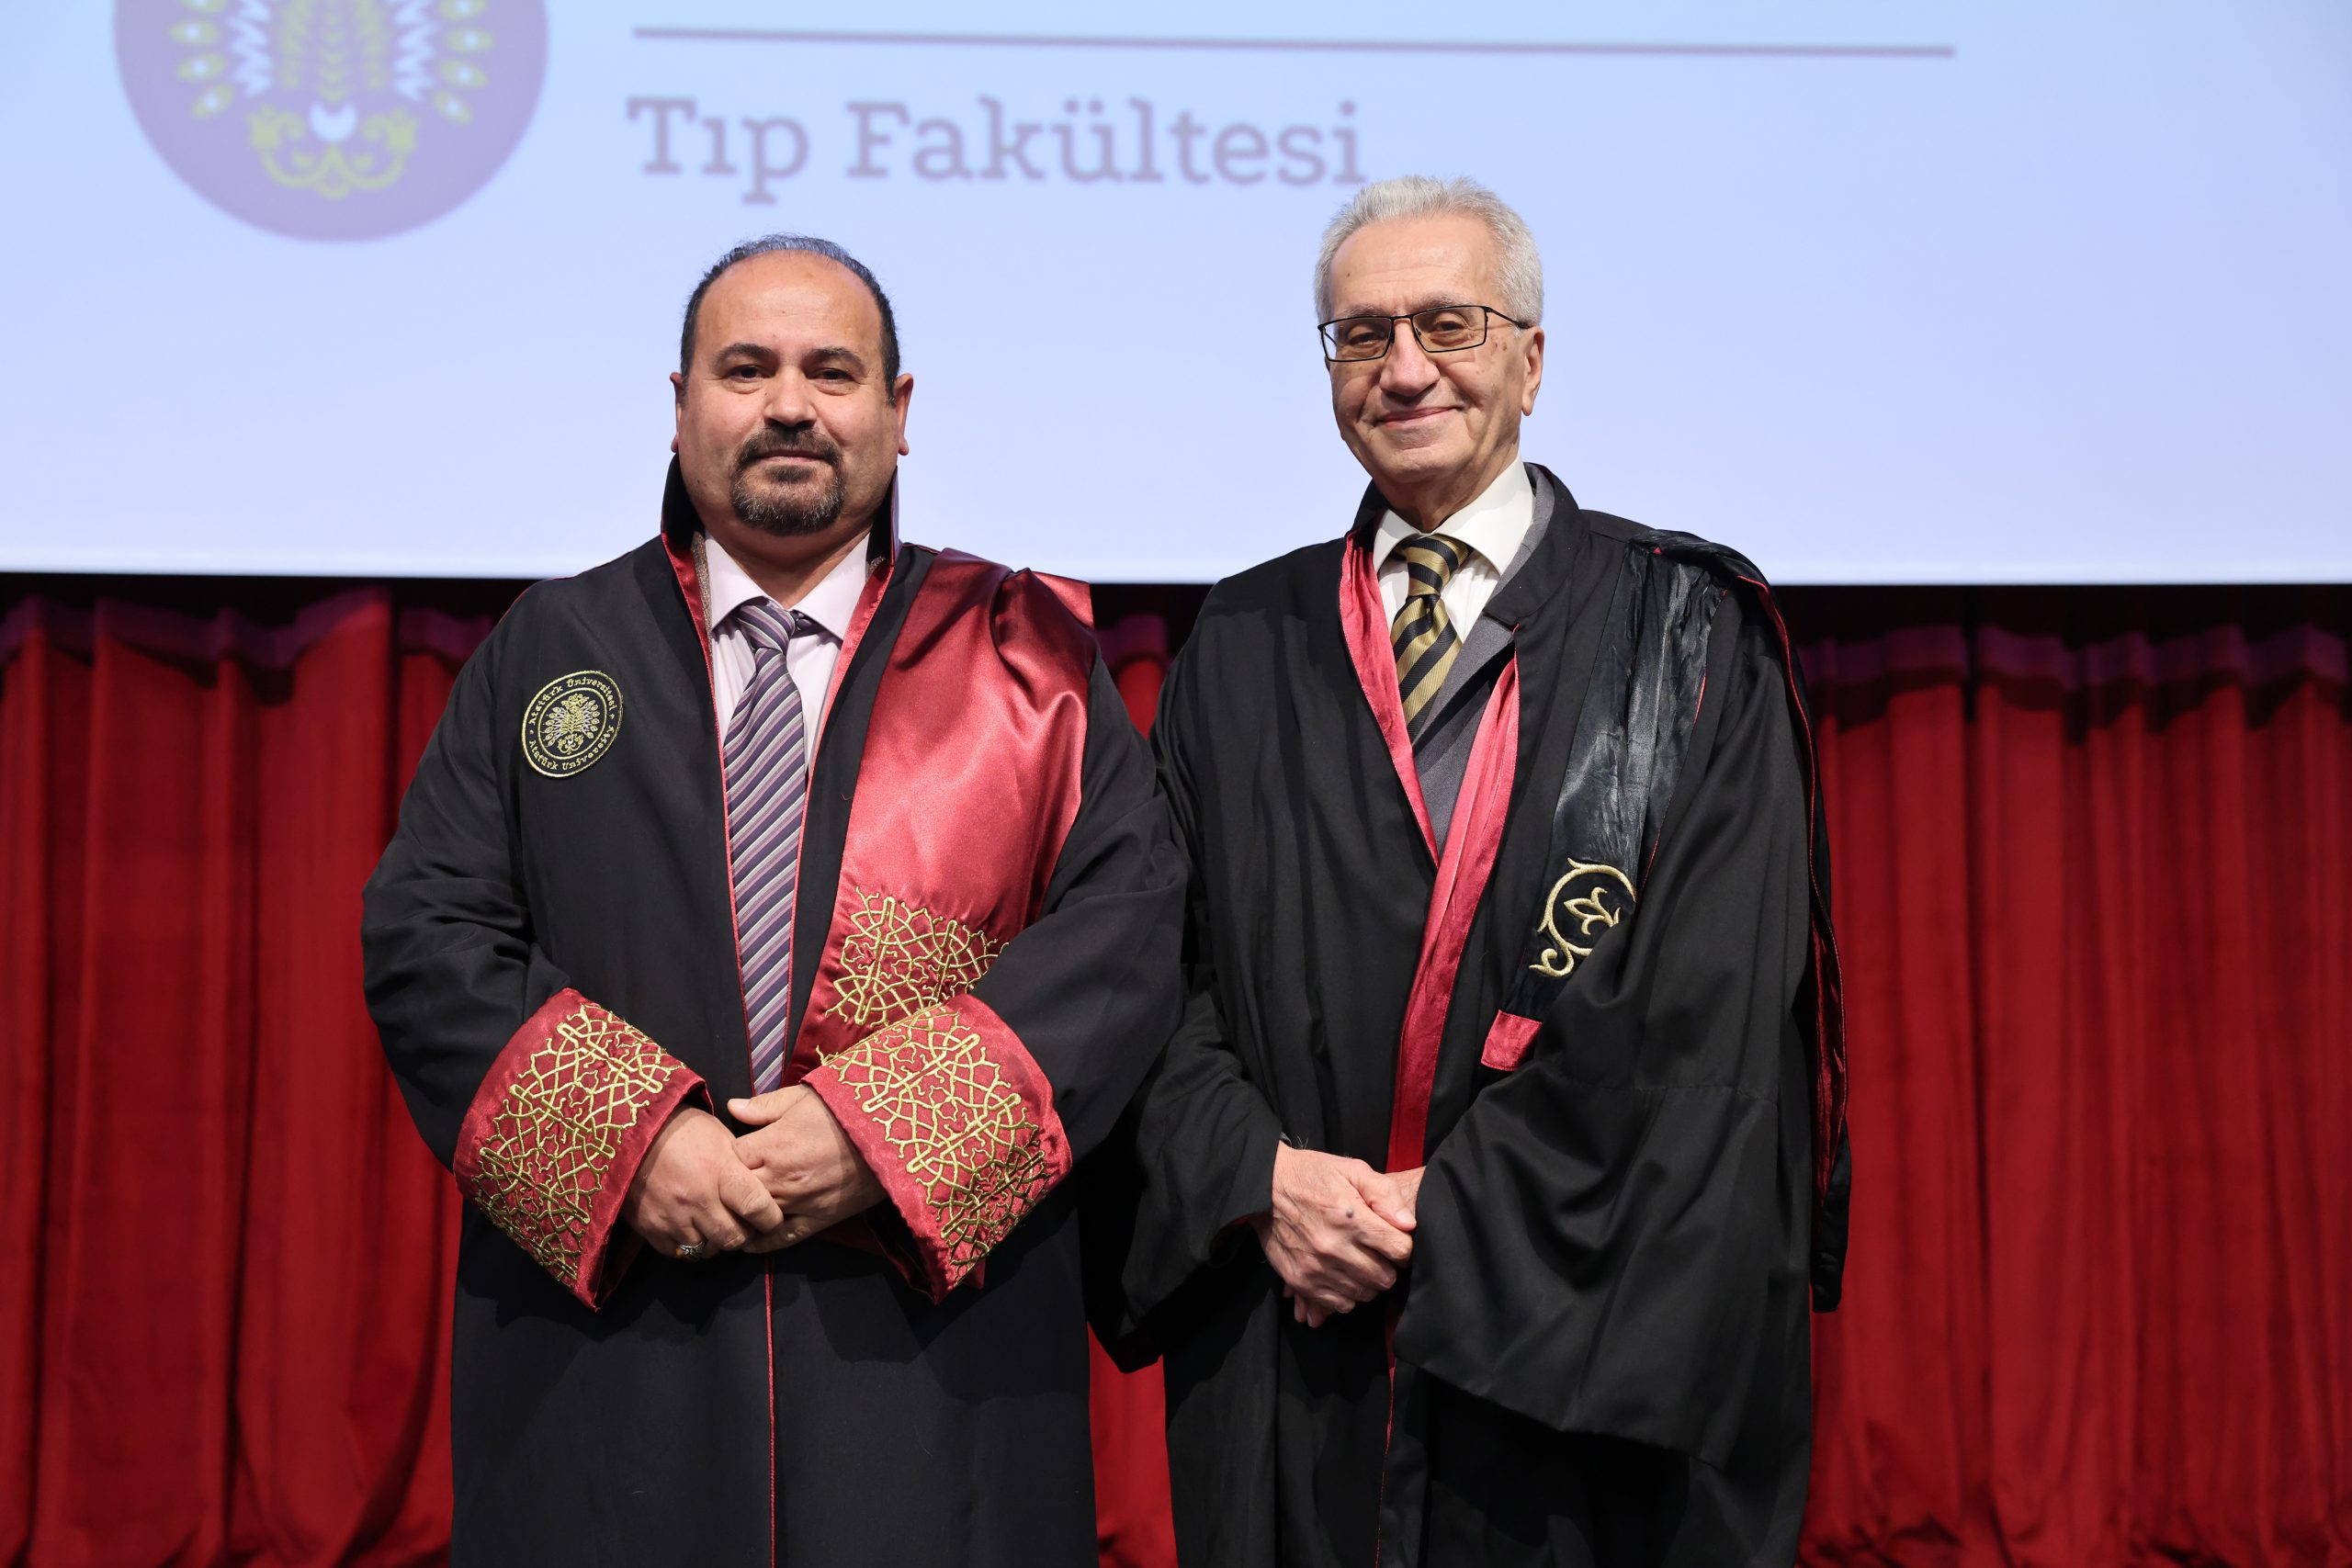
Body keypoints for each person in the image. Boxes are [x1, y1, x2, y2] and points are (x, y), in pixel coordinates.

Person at [362, 233, 1183, 1565]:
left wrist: (879, 1137)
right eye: (746, 370)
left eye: (832, 373)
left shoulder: (1026, 662)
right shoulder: (552, 649)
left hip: (932, 1354)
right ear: (681, 403)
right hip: (616, 1340)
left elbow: (1125, 937)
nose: (790, 405)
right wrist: (634, 1144)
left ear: (898, 414)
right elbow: (428, 934)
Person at [1100, 176, 1852, 1565]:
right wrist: (1264, 1180)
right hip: (1296, 1324)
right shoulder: (1242, 641)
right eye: (1361, 335)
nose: (1404, 370)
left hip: (1577, 1347)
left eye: (1449, 325)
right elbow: (1153, 971)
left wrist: (1441, 1219)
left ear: (1533, 359)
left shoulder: (1687, 637)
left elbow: (1710, 1004)